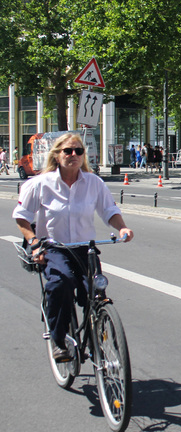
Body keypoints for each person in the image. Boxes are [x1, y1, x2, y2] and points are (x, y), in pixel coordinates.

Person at [13, 132, 134, 362]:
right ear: (57, 155)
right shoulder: (39, 184)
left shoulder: (93, 183)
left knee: (96, 291)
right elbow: (22, 217)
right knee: (62, 283)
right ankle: (58, 340)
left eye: (78, 151)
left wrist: (122, 229)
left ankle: (99, 334)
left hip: (84, 248)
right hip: (54, 248)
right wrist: (35, 243)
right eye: (67, 151)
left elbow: (109, 211)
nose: (73, 155)